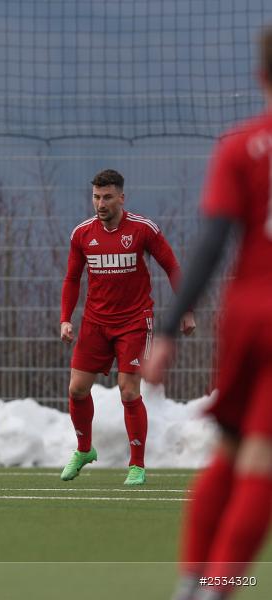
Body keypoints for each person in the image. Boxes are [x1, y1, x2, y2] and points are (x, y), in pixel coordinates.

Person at [143, 26, 272, 600]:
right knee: (263, 462)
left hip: (246, 314)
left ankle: (190, 583)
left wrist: (168, 330)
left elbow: (214, 243)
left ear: (261, 76)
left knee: (231, 447)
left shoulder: (240, 147)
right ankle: (219, 591)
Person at [59, 169, 196, 485]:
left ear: (121, 198)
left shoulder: (143, 229)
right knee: (77, 389)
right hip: (95, 322)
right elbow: (72, 278)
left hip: (134, 322)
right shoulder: (82, 234)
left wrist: (187, 310)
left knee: (129, 390)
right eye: (96, 197)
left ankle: (137, 465)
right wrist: (66, 318)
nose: (100, 203)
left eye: (107, 197)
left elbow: (172, 267)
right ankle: (84, 450)